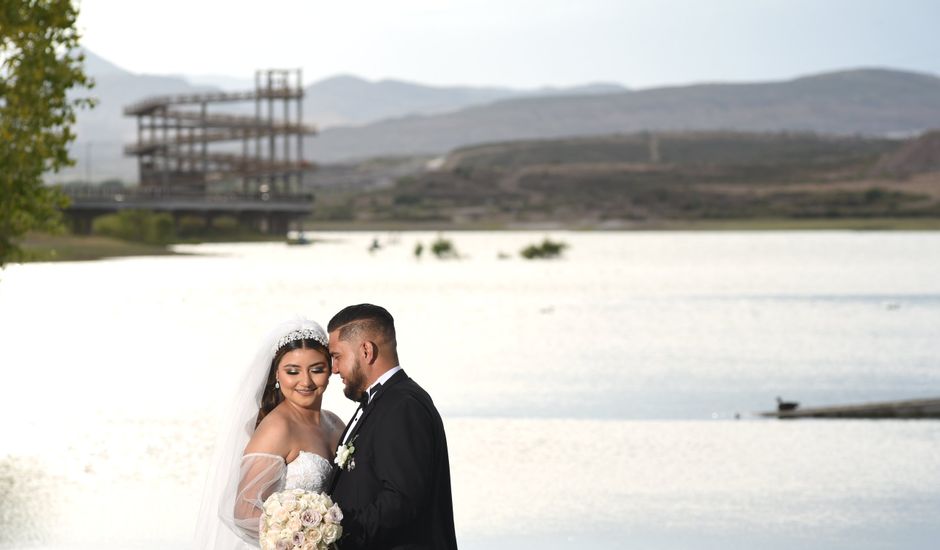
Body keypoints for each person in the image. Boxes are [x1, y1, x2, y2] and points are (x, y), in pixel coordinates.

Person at [195, 317, 345, 549]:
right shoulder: (278, 428)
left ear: (330, 371)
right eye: (292, 371)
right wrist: (302, 538)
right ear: (277, 374)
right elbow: (244, 512)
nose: (305, 381)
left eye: (316, 369)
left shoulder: (334, 422)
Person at [326, 304, 458, 549]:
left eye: (337, 356)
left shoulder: (403, 406)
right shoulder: (385, 400)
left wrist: (336, 534)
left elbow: (402, 500)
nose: (333, 369)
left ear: (366, 350)